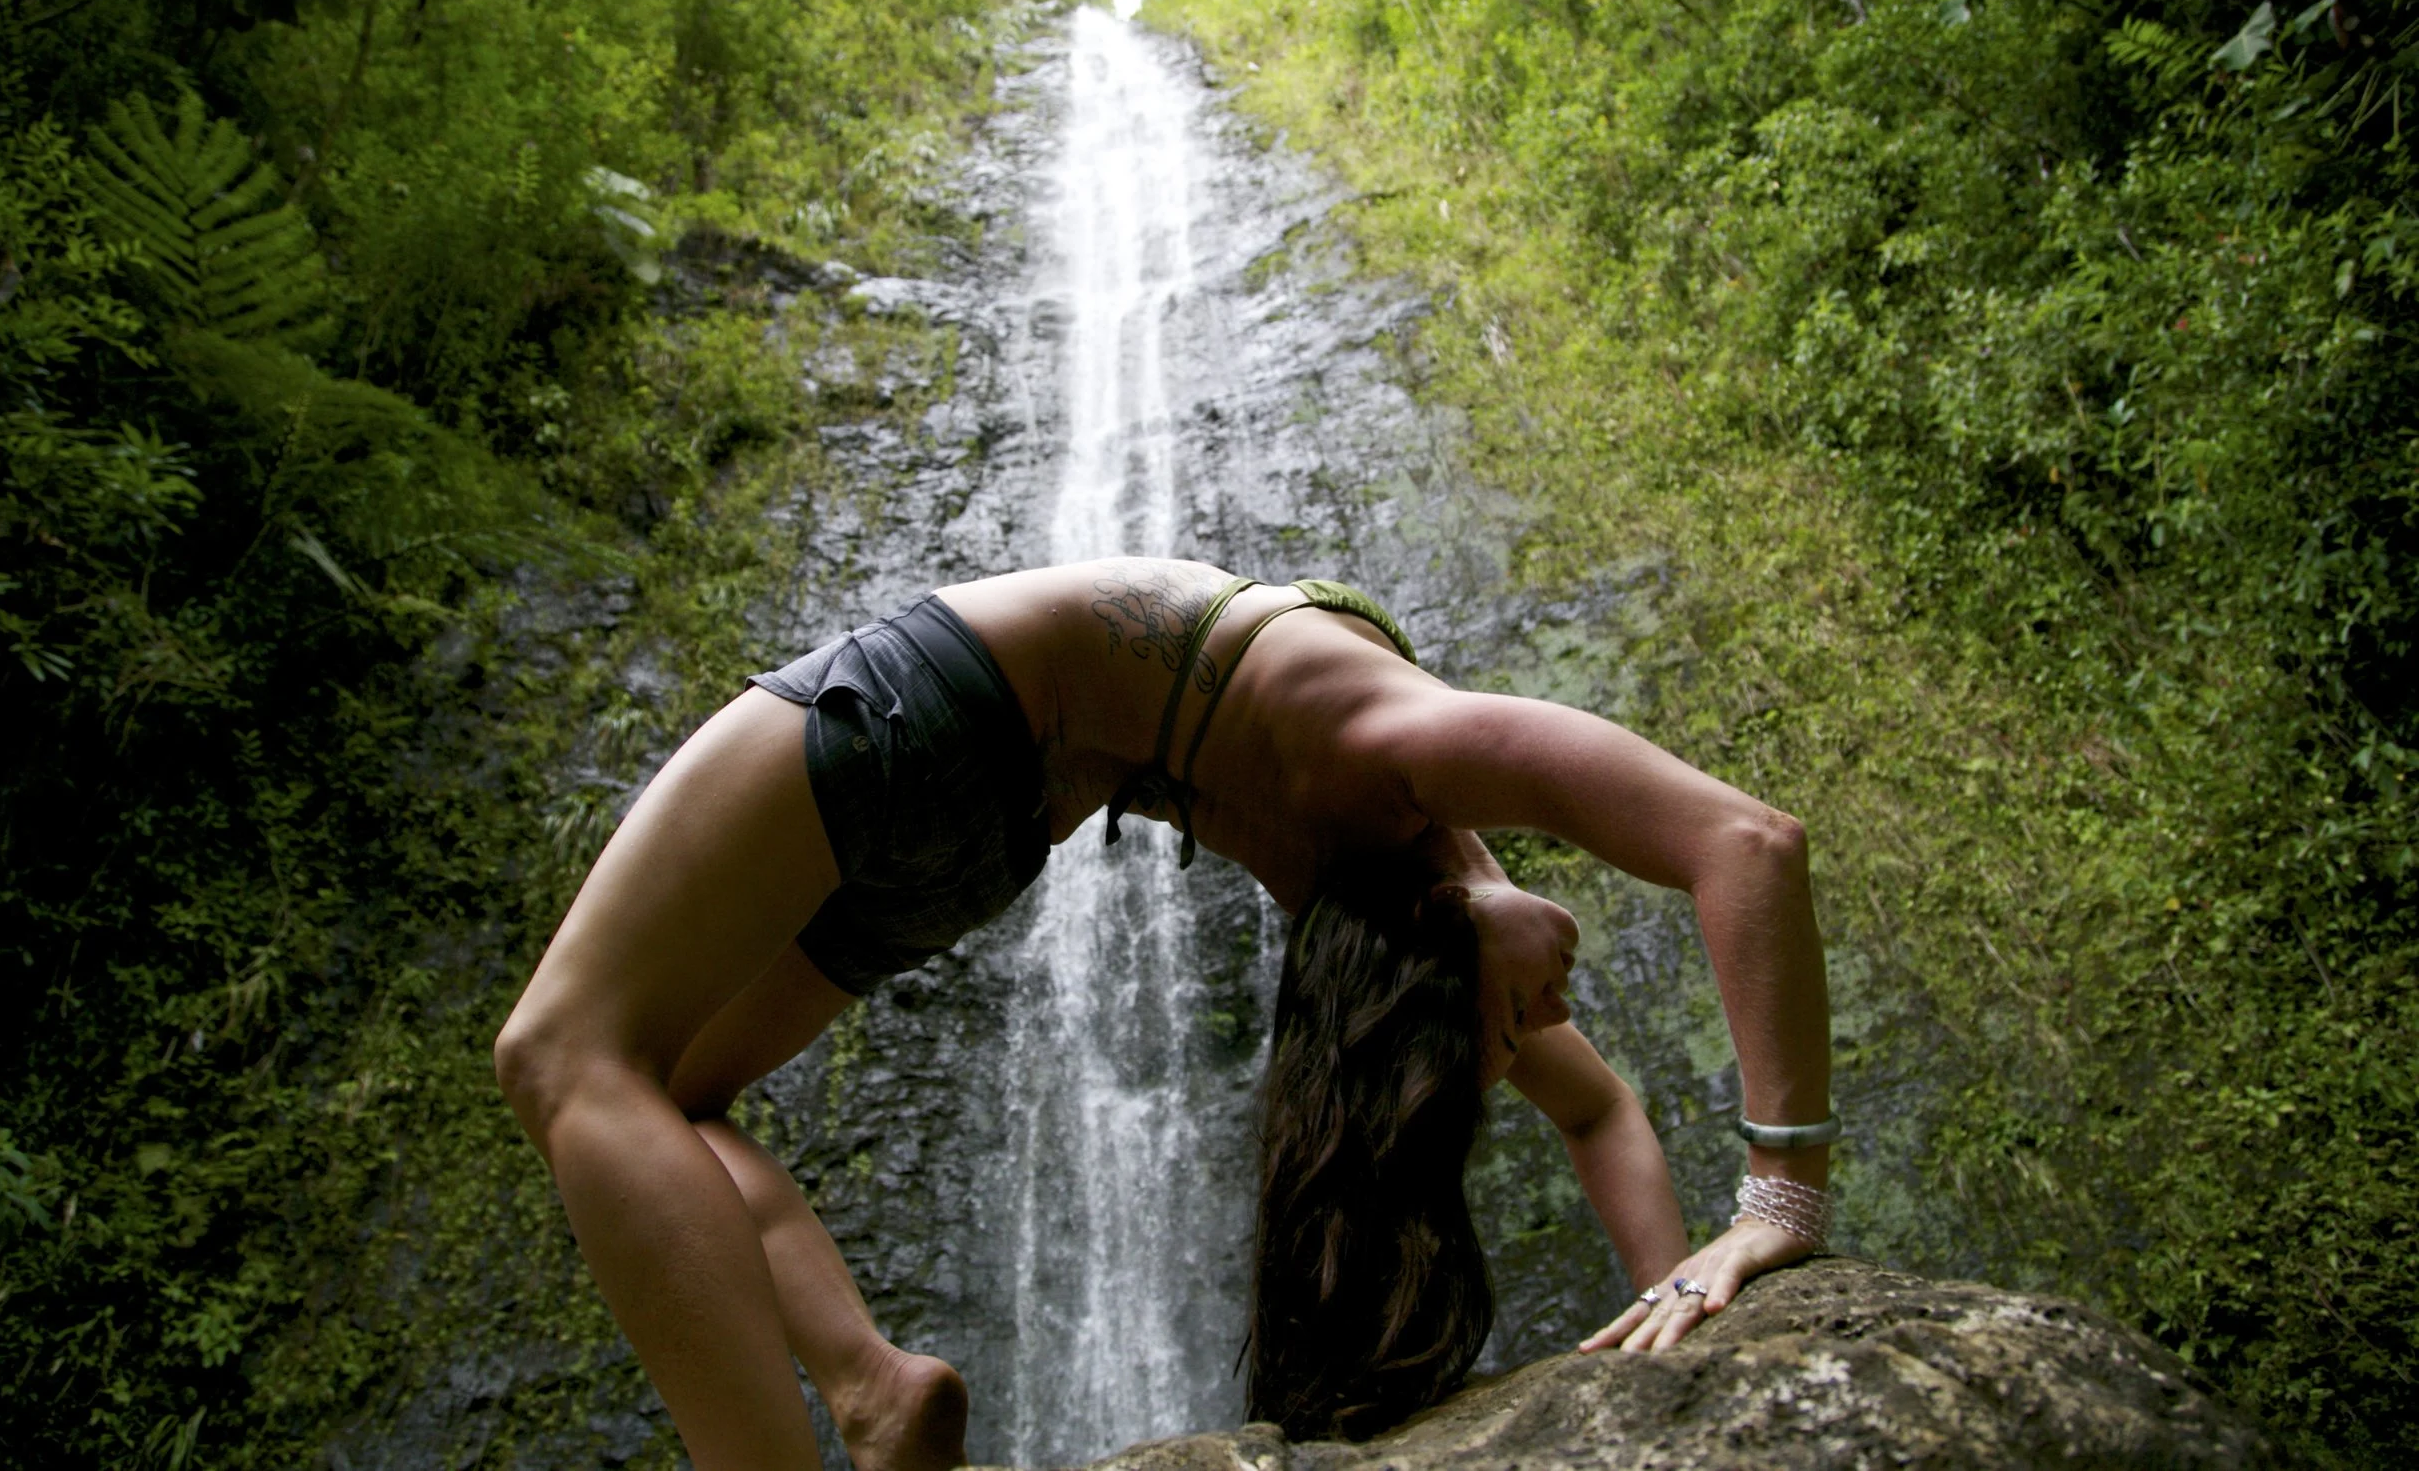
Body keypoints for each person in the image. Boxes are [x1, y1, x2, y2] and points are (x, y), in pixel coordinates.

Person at [494, 558, 1835, 1471]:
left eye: (1499, 1036)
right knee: (660, 1099)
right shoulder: (1409, 782)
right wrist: (1774, 1202)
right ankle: (868, 1389)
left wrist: (1680, 1305)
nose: (1544, 1016)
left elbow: (1612, 1075)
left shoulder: (1383, 864)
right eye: (1517, 1028)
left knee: (564, 1055)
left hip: (963, 733)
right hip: (991, 796)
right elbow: (1743, 850)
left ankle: (841, 1414)